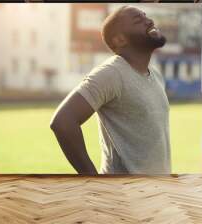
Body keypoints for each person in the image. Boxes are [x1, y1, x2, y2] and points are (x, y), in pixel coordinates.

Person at [50, 6, 171, 175]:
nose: (149, 21)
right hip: (124, 196)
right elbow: (63, 121)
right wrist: (93, 180)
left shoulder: (155, 74)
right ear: (120, 40)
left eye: (146, 16)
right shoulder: (111, 73)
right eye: (138, 20)